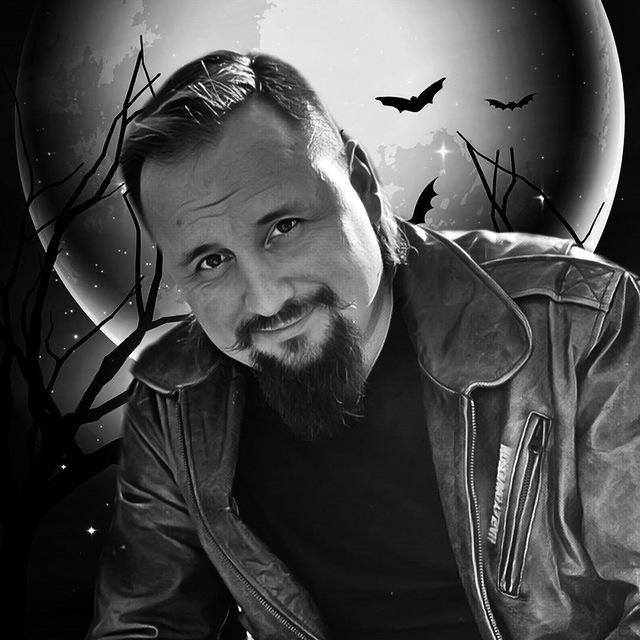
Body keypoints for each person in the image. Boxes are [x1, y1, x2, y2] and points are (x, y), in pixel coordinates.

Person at [85, 50, 640, 640]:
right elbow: (143, 624)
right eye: (212, 261)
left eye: (283, 227)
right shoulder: (174, 399)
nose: (267, 300)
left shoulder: (581, 321)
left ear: (364, 188)